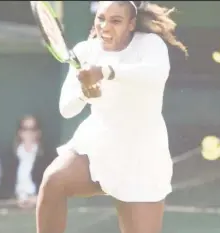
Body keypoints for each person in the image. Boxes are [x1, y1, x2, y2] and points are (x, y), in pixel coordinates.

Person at [36, 1, 187, 233]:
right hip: (97, 145)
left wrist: (104, 72)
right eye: (101, 18)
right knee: (54, 180)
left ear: (131, 24)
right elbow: (67, 109)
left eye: (116, 21)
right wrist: (84, 93)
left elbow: (153, 75)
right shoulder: (85, 51)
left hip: (142, 158)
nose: (105, 26)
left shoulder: (150, 45)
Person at [13, 115, 44, 208]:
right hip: (14, 205)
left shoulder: (46, 157)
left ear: (38, 133)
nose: (29, 133)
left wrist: (38, 198)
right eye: (25, 129)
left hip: (38, 204)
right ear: (20, 132)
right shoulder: (11, 157)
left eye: (33, 129)